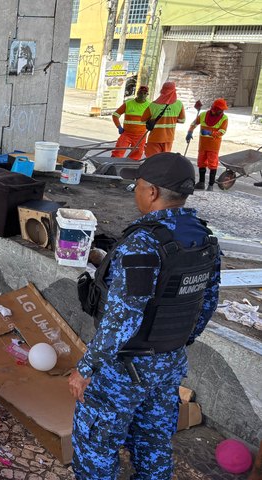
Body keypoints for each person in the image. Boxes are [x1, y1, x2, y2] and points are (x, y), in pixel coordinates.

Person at [72, 152, 221, 479]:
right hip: (169, 363)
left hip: (124, 368)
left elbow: (124, 317)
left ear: (152, 192)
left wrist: (86, 367)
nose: (136, 192)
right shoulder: (204, 238)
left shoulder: (143, 242)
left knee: (96, 443)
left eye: (137, 186)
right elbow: (207, 303)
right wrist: (172, 345)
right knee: (153, 441)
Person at [187, 98, 229, 191]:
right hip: (203, 145)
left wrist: (210, 133)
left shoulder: (224, 118)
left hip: (214, 146)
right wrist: (189, 132)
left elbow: (222, 131)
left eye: (222, 110)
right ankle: (201, 183)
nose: (222, 111)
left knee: (213, 164)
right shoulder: (203, 115)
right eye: (220, 110)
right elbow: (194, 123)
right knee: (201, 163)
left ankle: (210, 185)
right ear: (214, 109)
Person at [141, 82, 185, 158]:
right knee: (164, 161)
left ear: (162, 90)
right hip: (168, 139)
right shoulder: (179, 104)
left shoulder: (153, 105)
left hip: (155, 138)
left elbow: (143, 120)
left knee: (152, 161)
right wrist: (172, 119)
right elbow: (182, 120)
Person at [111, 86, 150, 160]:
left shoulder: (149, 106)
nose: (142, 95)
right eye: (141, 93)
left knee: (136, 154)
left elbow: (153, 119)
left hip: (140, 136)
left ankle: (130, 167)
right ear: (137, 93)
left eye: (144, 93)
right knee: (118, 152)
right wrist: (119, 127)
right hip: (126, 134)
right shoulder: (128, 103)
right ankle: (113, 167)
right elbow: (115, 115)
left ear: (147, 94)